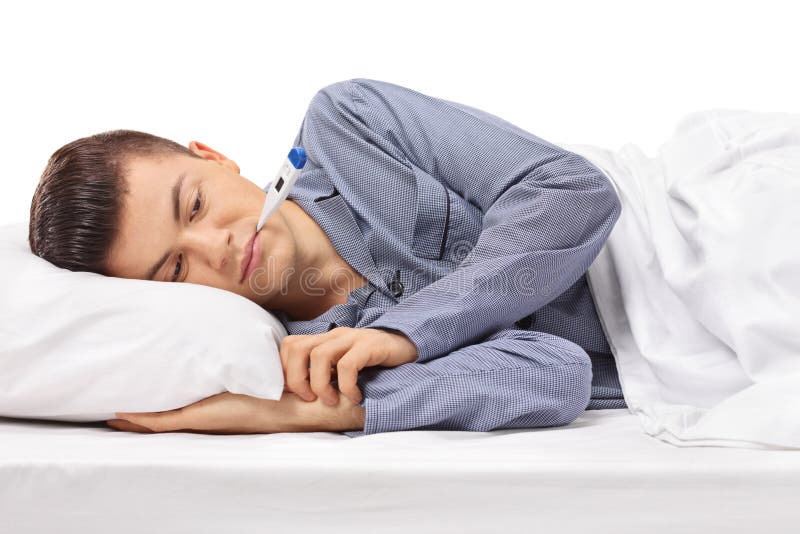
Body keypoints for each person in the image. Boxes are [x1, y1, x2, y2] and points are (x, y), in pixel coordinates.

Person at [28, 78, 627, 437]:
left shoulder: (349, 122)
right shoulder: (314, 361)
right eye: (178, 269)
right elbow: (556, 373)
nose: (221, 246)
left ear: (212, 156)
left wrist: (406, 333)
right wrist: (317, 415)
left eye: (195, 206)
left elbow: (573, 194)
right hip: (681, 356)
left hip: (672, 234)